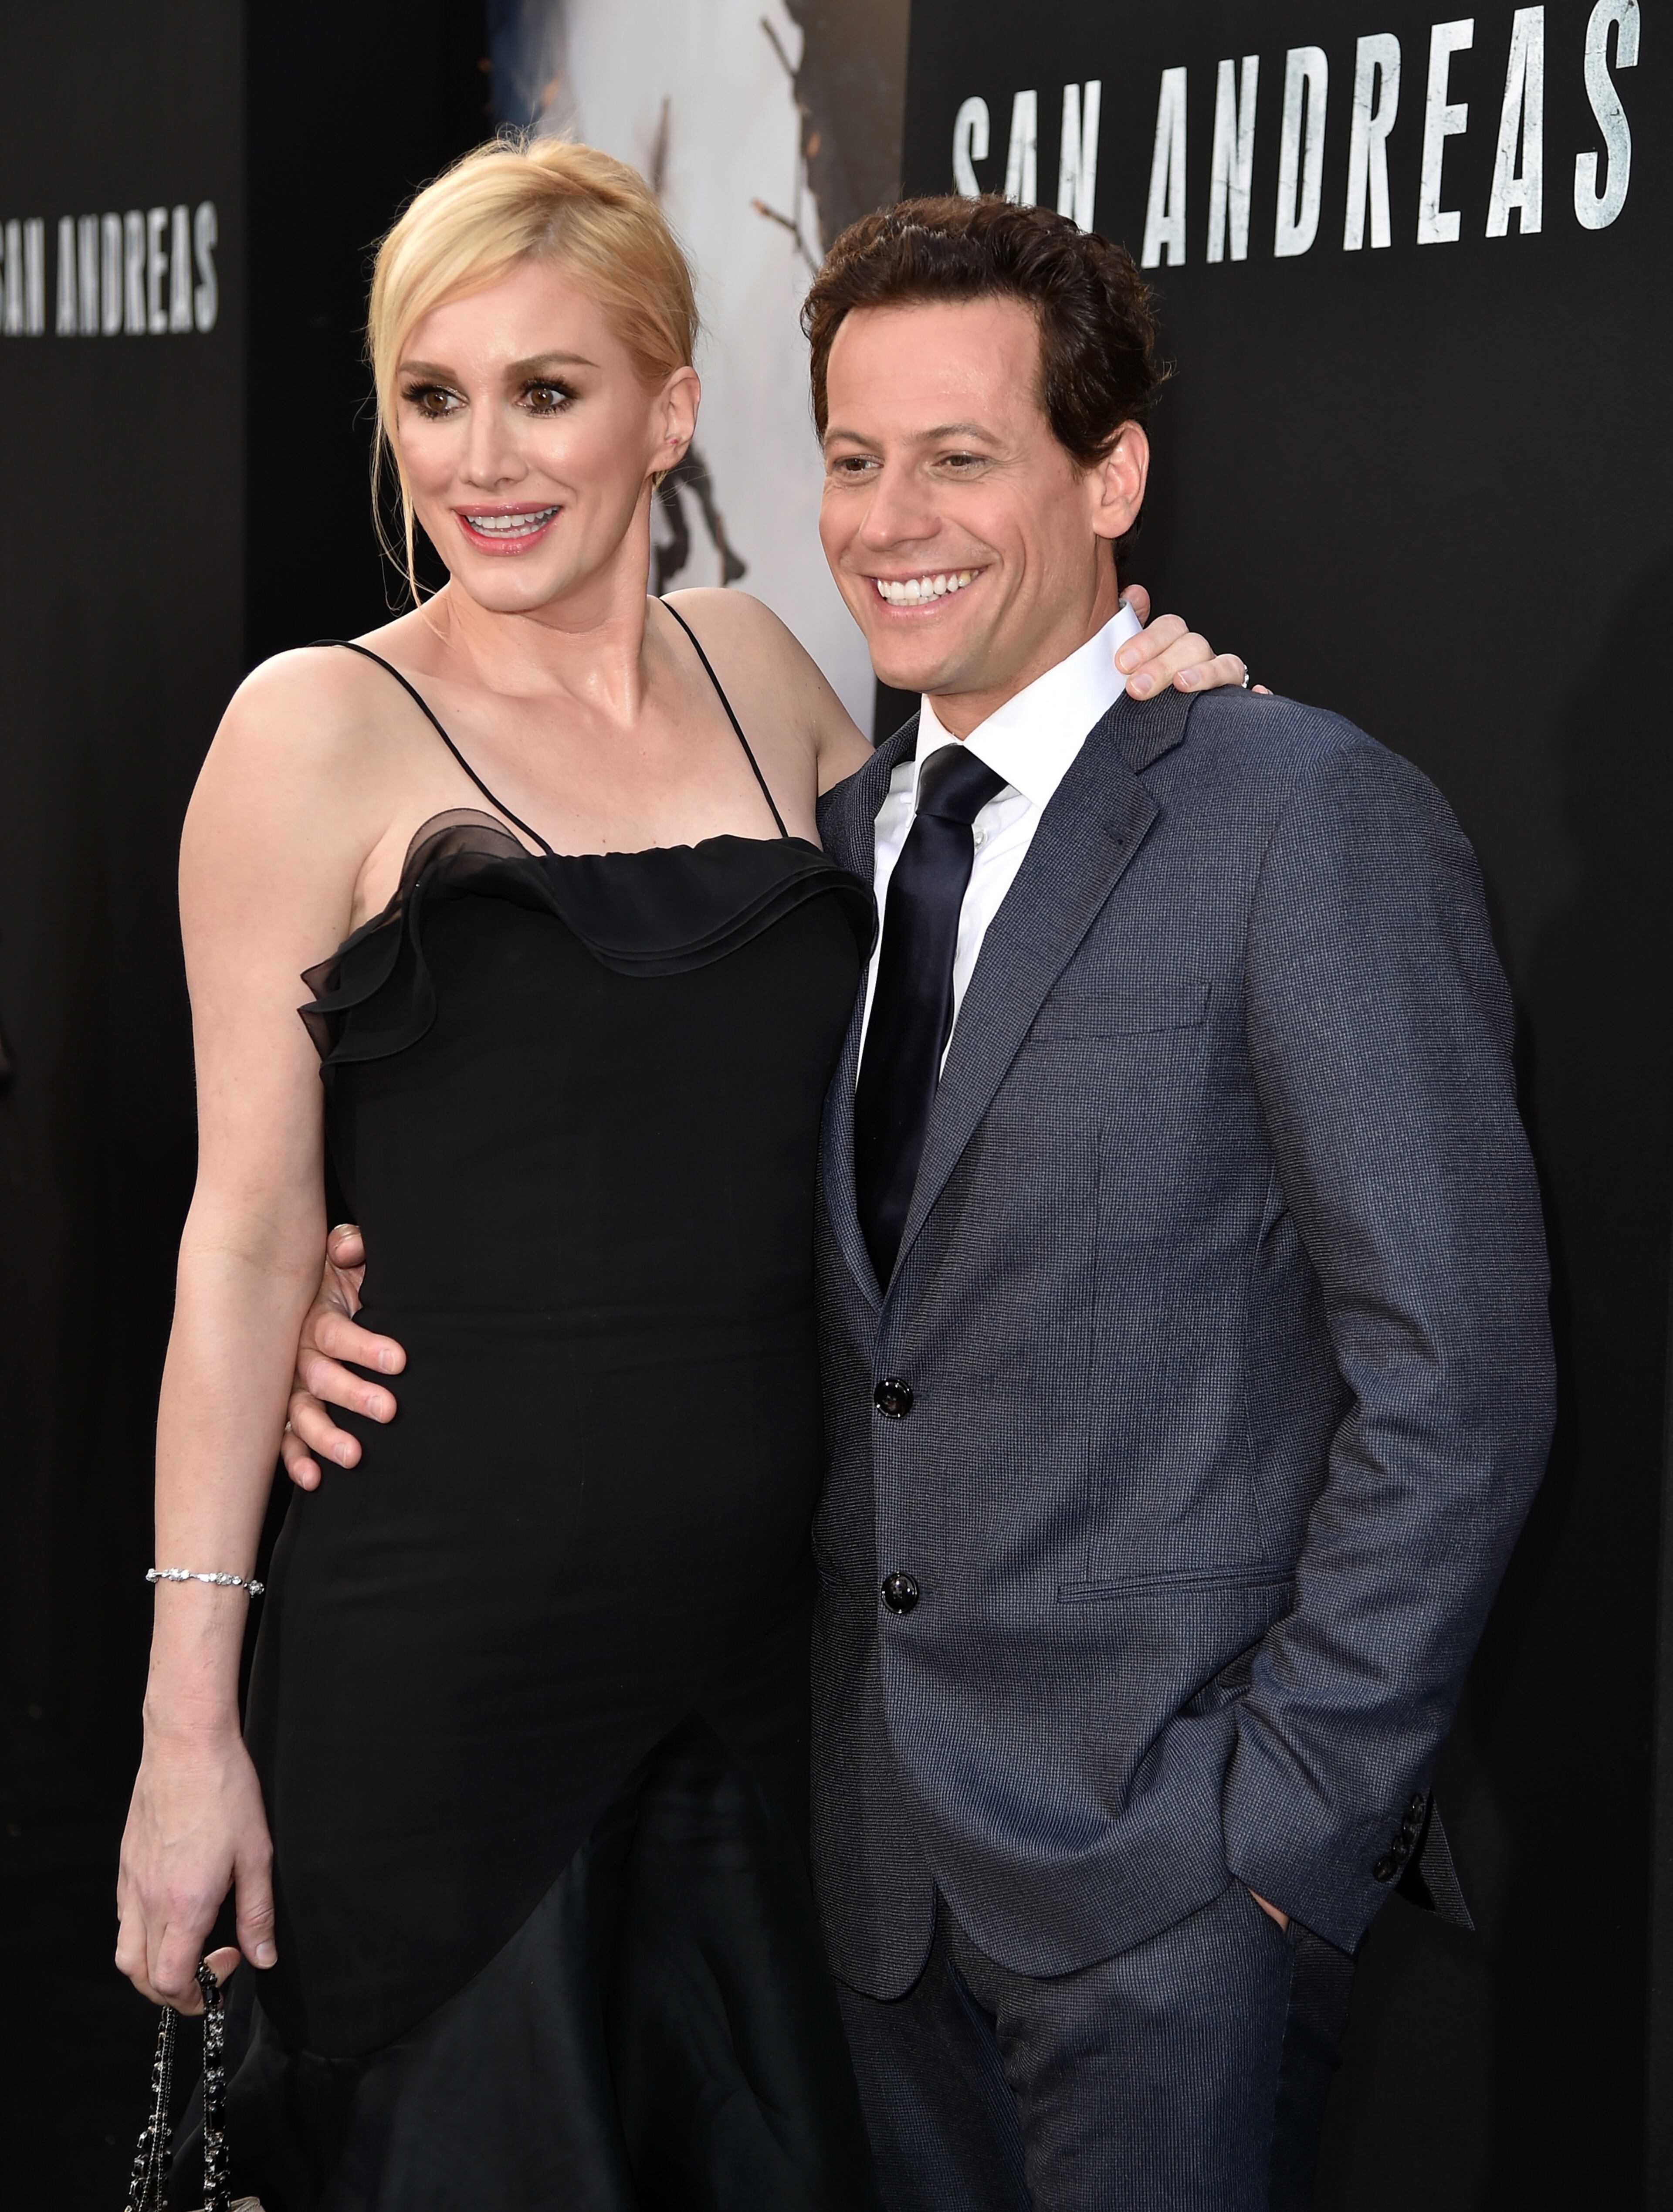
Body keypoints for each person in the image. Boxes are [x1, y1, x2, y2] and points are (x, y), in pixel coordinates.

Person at [288, 195, 1555, 2209]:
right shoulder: (847, 831)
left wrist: (1283, 1844)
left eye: (961, 457)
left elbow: (1460, 1385)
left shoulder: (1302, 815)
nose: (893, 519)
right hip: (870, 1896)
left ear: (1110, 472)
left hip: (1175, 1908)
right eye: (857, 461)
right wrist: (332, 1299)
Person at [115, 142, 1241, 2210]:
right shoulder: (312, 733)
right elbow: (249, 1229)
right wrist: (188, 1732)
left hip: (776, 1662)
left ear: (671, 408)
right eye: (432, 398)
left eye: (546, 391)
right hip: (449, 1666)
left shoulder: (771, 671)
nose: (485, 460)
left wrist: (1135, 697)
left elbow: (985, 941)